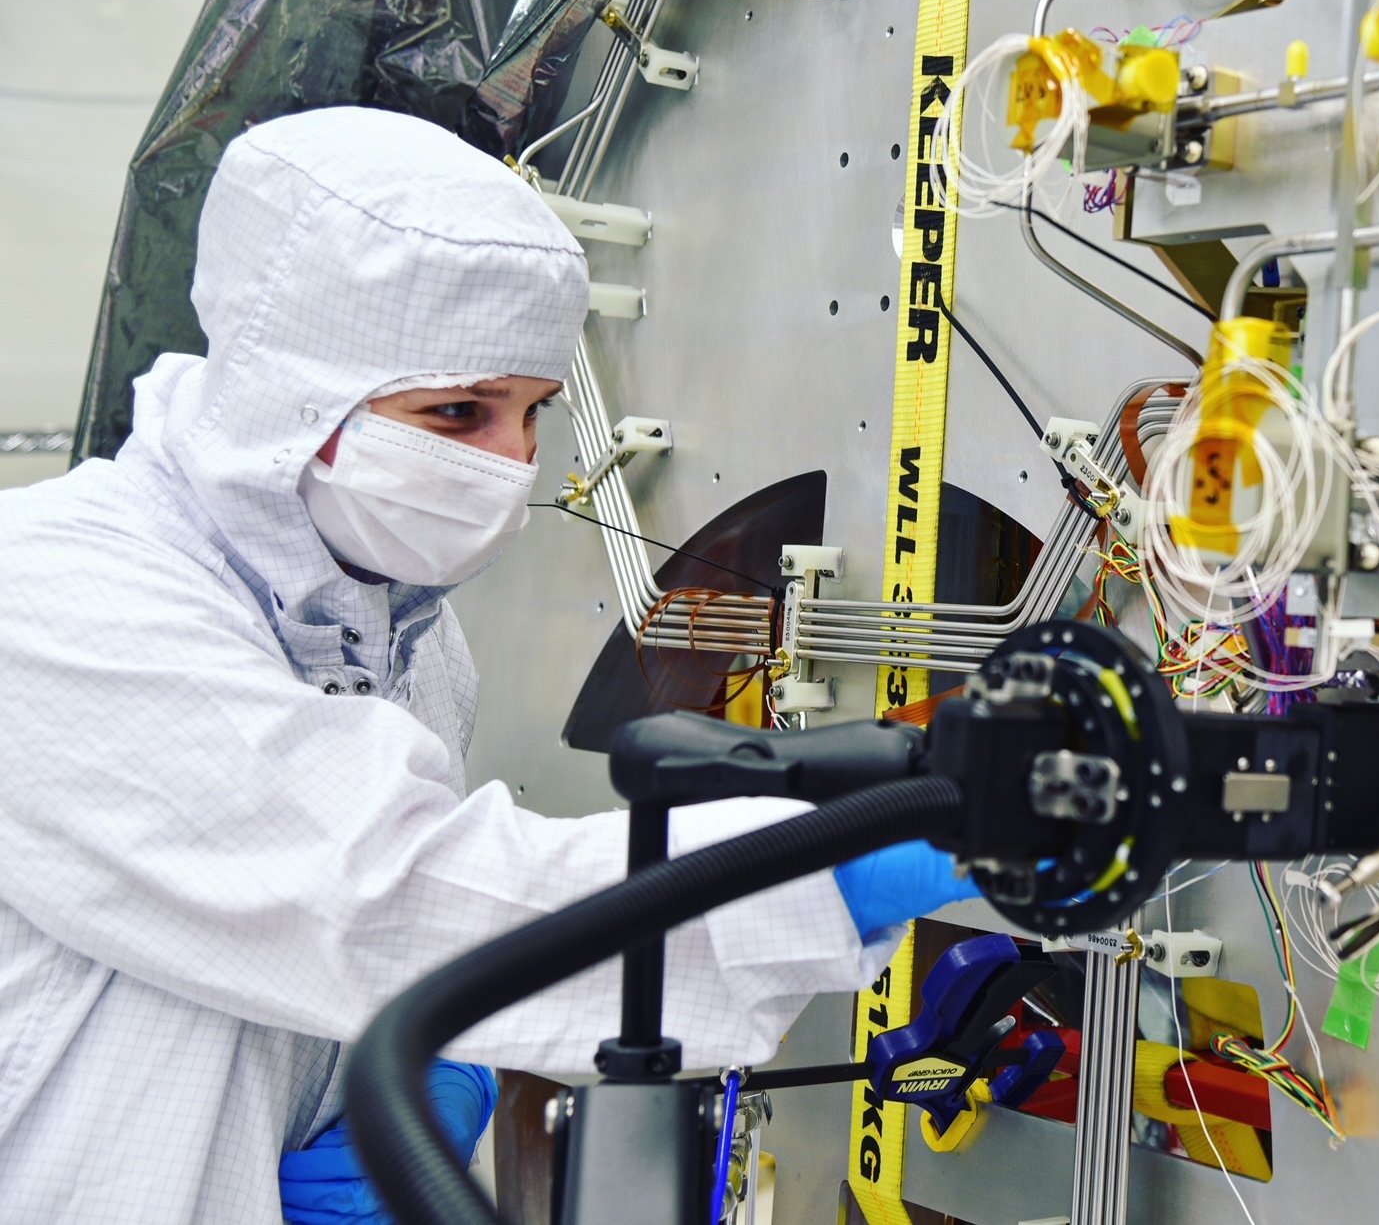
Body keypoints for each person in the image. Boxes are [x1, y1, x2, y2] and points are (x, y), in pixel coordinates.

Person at [0, 106, 976, 1224]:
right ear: (290, 398)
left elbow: (327, 951)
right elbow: (382, 901)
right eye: (457, 411)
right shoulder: (51, 596)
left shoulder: (399, 629)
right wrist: (824, 864)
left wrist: (391, 1081)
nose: (511, 465)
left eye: (532, 412)